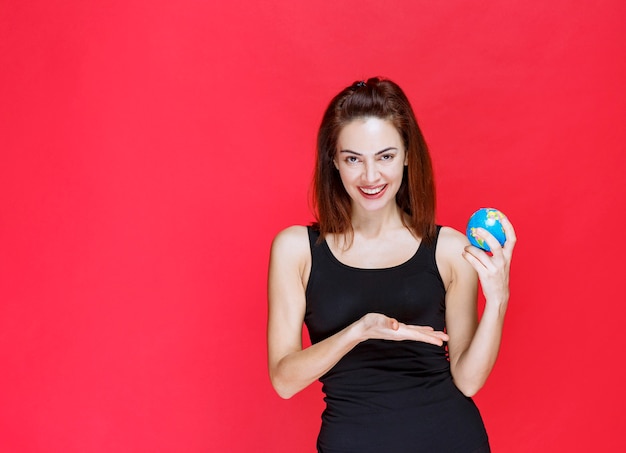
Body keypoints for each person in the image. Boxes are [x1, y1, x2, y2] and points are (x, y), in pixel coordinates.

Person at [267, 77, 516, 453]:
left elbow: (468, 381)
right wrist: (360, 330)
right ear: (333, 160)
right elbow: (284, 381)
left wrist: (497, 299)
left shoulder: (449, 249)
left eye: (385, 156)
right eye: (353, 159)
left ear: (407, 155)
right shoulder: (296, 250)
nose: (370, 177)